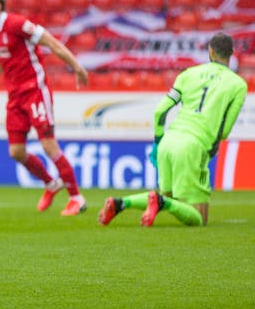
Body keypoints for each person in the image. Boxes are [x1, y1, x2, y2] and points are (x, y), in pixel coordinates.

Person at [98, 32, 247, 227]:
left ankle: (121, 203)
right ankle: (159, 203)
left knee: (167, 195)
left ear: (210, 51)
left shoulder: (187, 74)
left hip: (169, 140)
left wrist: (158, 142)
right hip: (195, 145)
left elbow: (160, 111)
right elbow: (225, 131)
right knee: (199, 218)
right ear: (231, 54)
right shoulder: (238, 85)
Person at [0, 0, 89, 216]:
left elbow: (52, 43)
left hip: (35, 91)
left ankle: (77, 198)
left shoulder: (18, 24)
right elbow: (2, 63)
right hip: (15, 97)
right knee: (16, 152)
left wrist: (77, 67)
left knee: (48, 145)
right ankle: (51, 183)